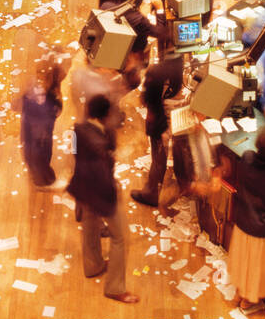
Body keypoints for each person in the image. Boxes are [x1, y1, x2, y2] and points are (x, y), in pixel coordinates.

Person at [206, 127, 265, 311]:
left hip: (244, 223)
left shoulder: (247, 158)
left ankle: (240, 291)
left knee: (245, 262)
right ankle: (249, 300)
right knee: (258, 268)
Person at [69, 92, 138, 303]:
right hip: (101, 193)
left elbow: (74, 155)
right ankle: (115, 287)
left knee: (90, 226)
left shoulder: (78, 129)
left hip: (83, 189)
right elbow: (102, 176)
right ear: (104, 116)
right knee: (120, 238)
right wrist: (112, 197)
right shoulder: (100, 145)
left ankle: (93, 265)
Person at [130, 52, 187, 208]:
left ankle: (151, 194)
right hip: (172, 120)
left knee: (158, 160)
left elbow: (147, 101)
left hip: (160, 124)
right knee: (166, 156)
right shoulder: (178, 66)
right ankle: (177, 185)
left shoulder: (155, 73)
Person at [19, 57, 64, 189]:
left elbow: (56, 108)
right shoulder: (31, 98)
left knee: (43, 155)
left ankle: (43, 178)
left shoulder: (49, 95)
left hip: (43, 134)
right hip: (37, 136)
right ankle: (43, 182)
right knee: (38, 159)